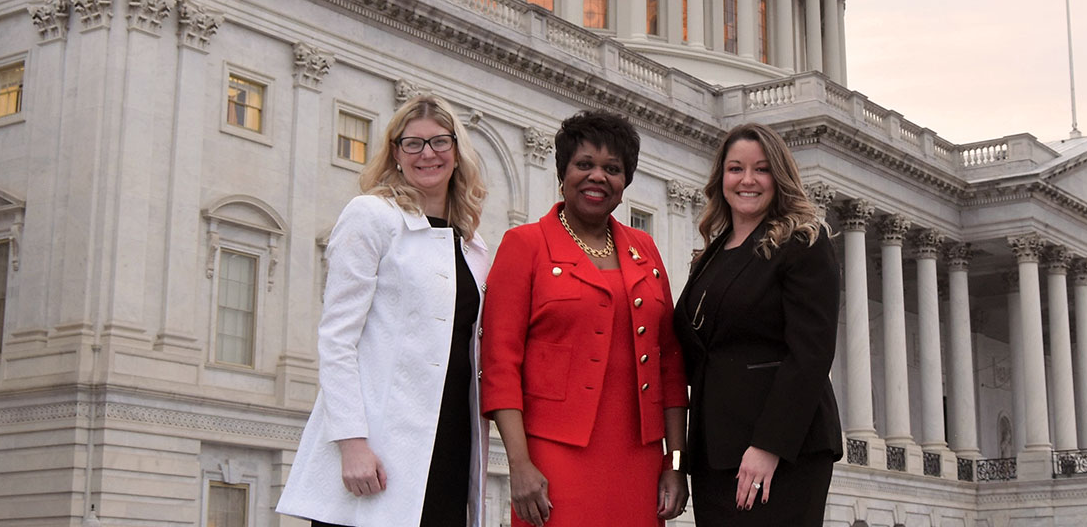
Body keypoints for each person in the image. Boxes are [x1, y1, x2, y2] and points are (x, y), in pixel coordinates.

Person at [276, 95, 491, 527]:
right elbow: (338, 338)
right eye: (412, 143)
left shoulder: (473, 246)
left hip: (450, 440)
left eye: (438, 142)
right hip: (379, 444)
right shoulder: (371, 216)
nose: (427, 154)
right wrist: (352, 442)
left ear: (457, 150)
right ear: (395, 152)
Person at [480, 110, 688, 527]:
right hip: (554, 456)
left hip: (640, 457)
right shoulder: (525, 245)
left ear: (625, 183)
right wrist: (518, 464)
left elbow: (669, 364)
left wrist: (676, 462)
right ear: (563, 172)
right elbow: (500, 364)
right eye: (584, 164)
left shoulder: (644, 249)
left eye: (612, 169)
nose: (598, 176)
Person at [673, 123, 841, 526]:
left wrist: (769, 445)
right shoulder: (712, 254)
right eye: (735, 169)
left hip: (782, 452)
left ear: (779, 177)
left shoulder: (803, 241)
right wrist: (677, 458)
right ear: (721, 179)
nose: (747, 180)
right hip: (715, 453)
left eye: (761, 169)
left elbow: (811, 353)